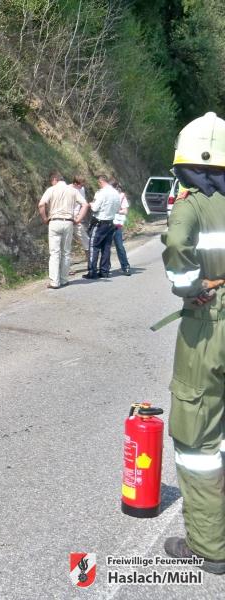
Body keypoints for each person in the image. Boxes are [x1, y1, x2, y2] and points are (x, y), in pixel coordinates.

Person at [161, 112, 225, 574]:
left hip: (211, 324)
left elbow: (178, 247)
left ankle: (209, 545)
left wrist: (189, 286)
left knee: (197, 435)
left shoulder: (191, 205)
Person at [38, 171, 87, 289]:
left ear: (55, 179)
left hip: (54, 221)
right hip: (68, 222)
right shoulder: (73, 190)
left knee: (54, 253)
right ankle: (64, 279)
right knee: (66, 252)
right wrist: (78, 219)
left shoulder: (51, 189)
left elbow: (41, 204)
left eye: (52, 181)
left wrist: (45, 219)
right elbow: (85, 204)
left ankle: (54, 282)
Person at [84, 175, 120, 279]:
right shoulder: (116, 193)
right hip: (110, 222)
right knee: (106, 248)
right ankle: (104, 271)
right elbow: (118, 209)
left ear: (101, 182)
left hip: (100, 223)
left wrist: (91, 204)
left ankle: (92, 271)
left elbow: (95, 208)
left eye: (98, 183)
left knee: (93, 246)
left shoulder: (102, 193)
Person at [111, 179, 132, 276]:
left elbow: (125, 211)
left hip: (116, 224)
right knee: (106, 247)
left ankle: (125, 266)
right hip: (106, 223)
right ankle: (105, 268)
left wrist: (116, 210)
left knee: (119, 246)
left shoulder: (121, 196)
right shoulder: (105, 194)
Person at [71, 175, 90, 273]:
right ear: (75, 183)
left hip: (77, 219)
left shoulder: (81, 189)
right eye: (80, 185)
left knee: (86, 240)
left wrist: (80, 218)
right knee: (66, 244)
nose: (81, 187)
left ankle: (90, 263)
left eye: (82, 185)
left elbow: (83, 204)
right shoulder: (68, 189)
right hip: (68, 218)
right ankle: (66, 268)